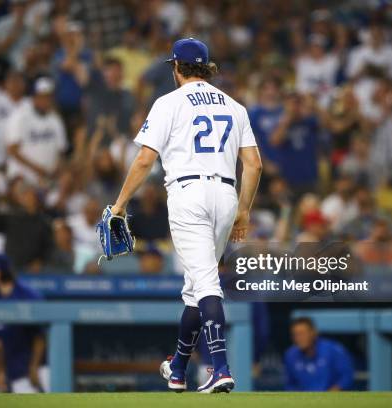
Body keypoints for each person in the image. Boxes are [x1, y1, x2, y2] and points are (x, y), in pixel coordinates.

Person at [108, 38, 262, 393]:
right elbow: (253, 164)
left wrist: (119, 205)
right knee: (196, 287)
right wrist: (243, 211)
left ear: (177, 68)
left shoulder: (168, 102)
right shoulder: (235, 105)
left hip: (188, 193)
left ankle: (219, 367)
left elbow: (146, 160)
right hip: (225, 195)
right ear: (206, 68)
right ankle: (177, 368)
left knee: (206, 283)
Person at [0, 254, 49, 393]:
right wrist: (1, 372)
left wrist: (34, 367)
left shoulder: (28, 295)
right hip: (16, 372)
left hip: (40, 368)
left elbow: (40, 336)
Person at [5, 77, 68, 187]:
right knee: (30, 198)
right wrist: (38, 170)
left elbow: (61, 151)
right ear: (34, 97)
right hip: (24, 177)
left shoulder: (55, 119)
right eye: (42, 96)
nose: (46, 100)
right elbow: (12, 150)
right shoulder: (20, 116)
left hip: (50, 178)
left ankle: (108, 205)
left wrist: (56, 170)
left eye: (49, 96)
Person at [284, 317, 354, 391]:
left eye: (302, 333)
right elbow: (290, 385)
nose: (299, 338)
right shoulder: (290, 355)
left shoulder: (333, 350)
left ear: (313, 332)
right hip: (305, 400)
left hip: (332, 398)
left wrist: (332, 393)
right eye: (295, 335)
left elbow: (346, 377)